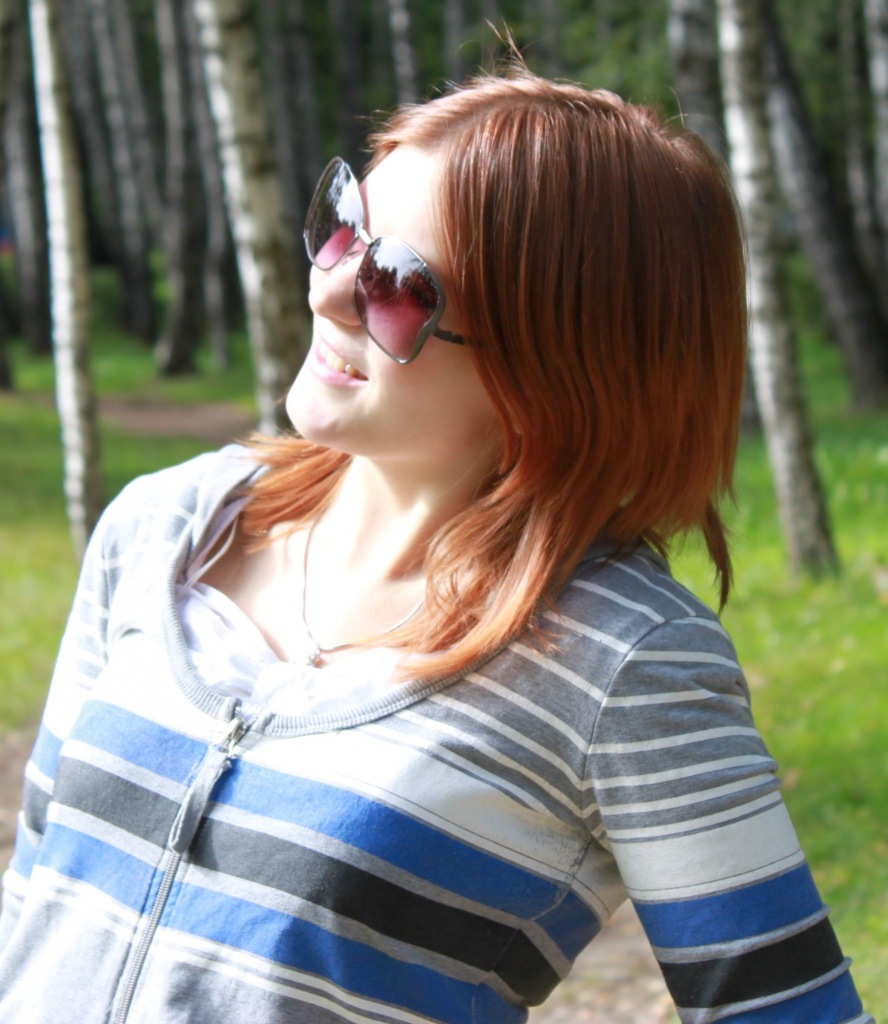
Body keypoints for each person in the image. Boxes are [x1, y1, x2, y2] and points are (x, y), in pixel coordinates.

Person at [0, 66, 872, 1024]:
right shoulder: (166, 527)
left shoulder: (625, 665)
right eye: (342, 225)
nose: (330, 288)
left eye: (399, 284)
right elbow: (33, 888)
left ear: (560, 361)